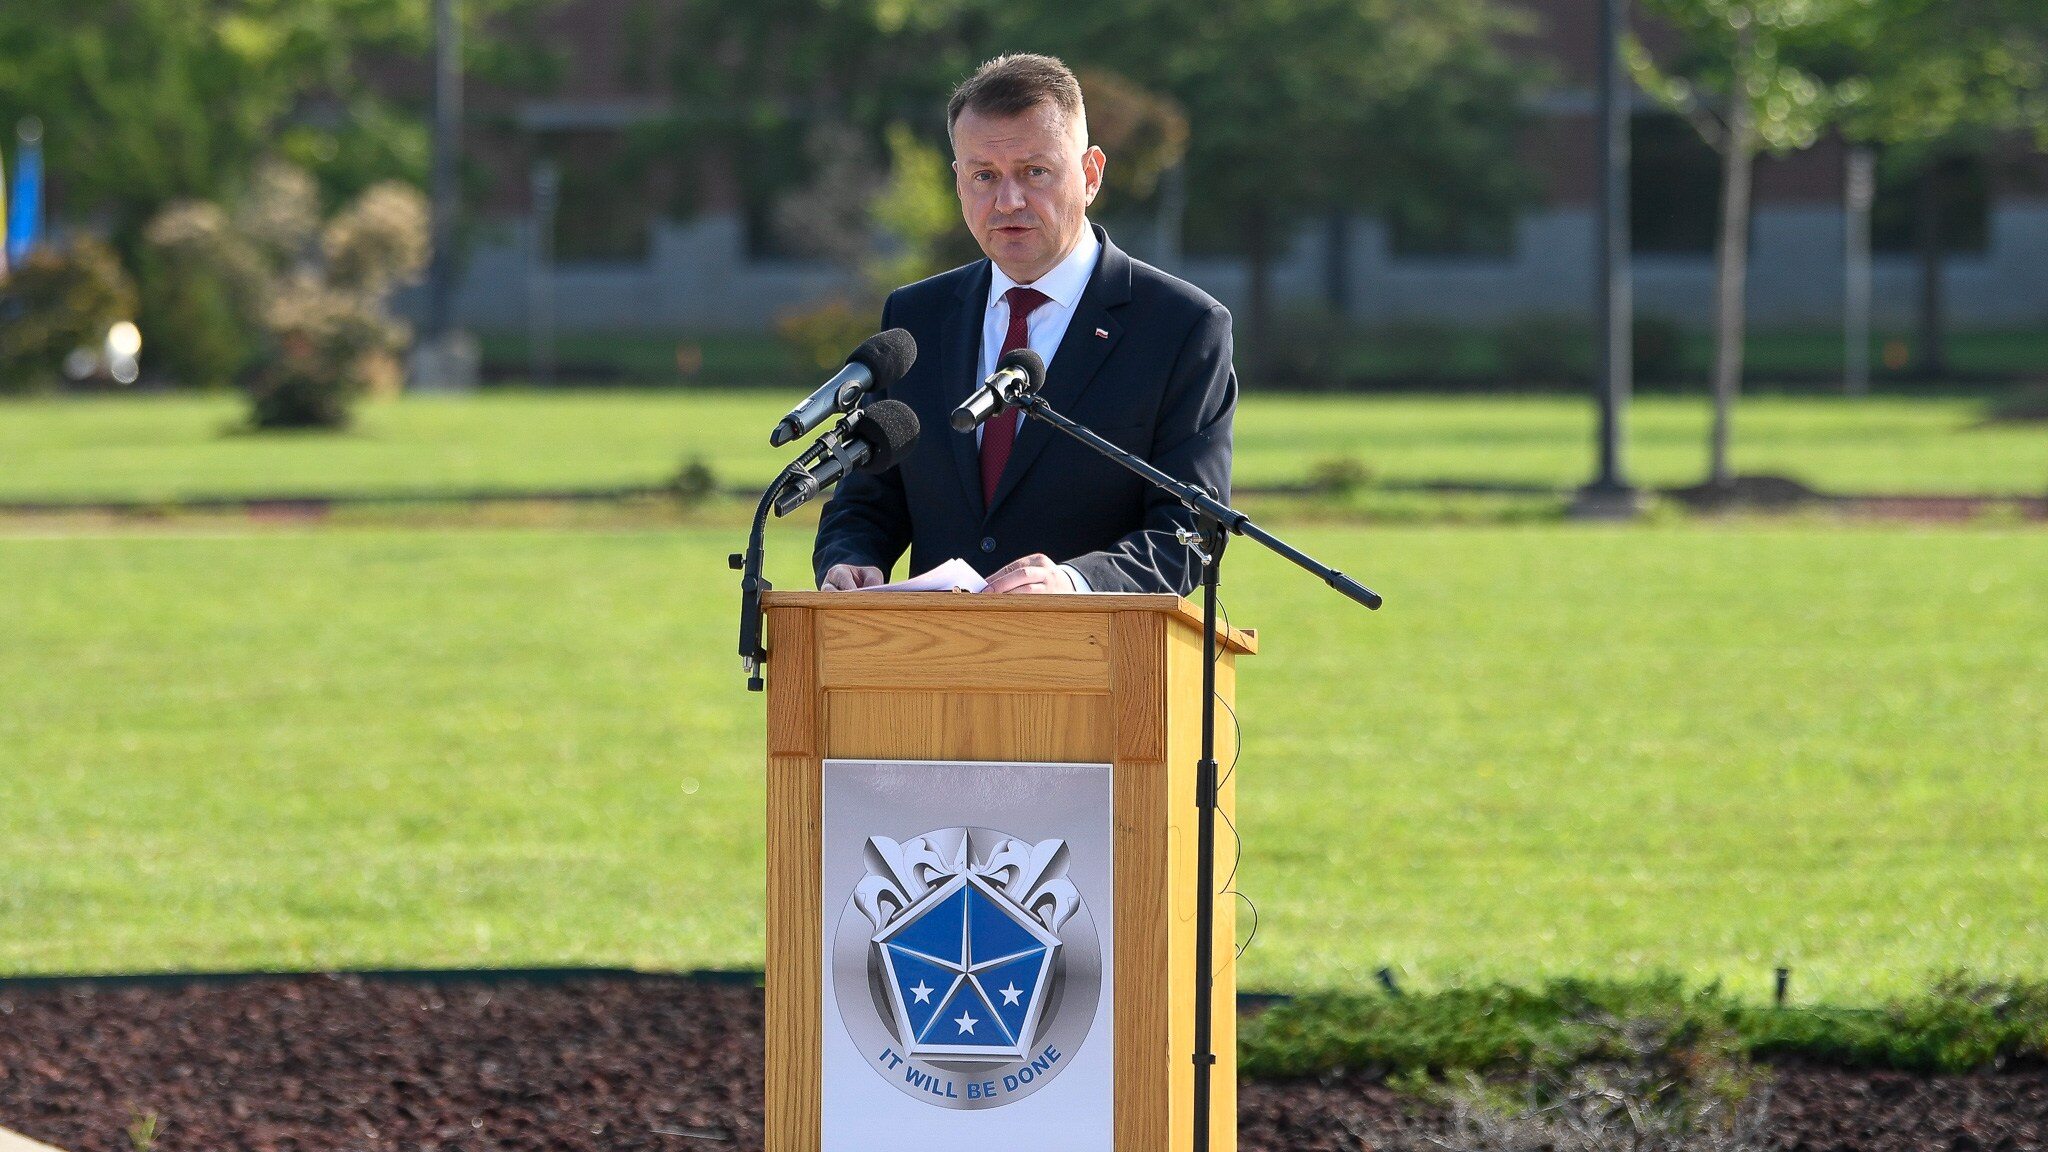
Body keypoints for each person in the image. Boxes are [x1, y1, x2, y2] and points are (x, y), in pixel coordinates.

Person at [813, 53, 1236, 596]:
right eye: (983, 176)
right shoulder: (915, 318)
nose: (1007, 201)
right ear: (958, 182)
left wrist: (1073, 582)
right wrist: (851, 558)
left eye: (1035, 172)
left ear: (1090, 174)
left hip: (1097, 664)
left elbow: (1189, 533)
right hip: (931, 664)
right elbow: (869, 498)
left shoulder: (1183, 327)